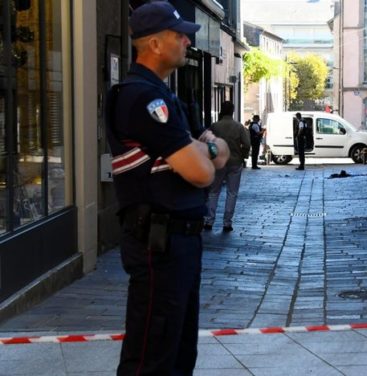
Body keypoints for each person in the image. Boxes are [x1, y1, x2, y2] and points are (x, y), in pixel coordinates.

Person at [104, 2, 230, 375]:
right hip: (159, 242)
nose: (187, 41)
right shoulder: (143, 98)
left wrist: (204, 149)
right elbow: (203, 172)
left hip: (179, 241)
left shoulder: (164, 95)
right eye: (179, 35)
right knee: (153, 356)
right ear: (155, 44)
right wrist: (204, 147)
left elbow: (220, 154)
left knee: (178, 352)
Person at [204, 101, 251, 232]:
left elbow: (207, 142)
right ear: (233, 111)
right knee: (232, 193)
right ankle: (227, 223)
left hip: (218, 162)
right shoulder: (238, 127)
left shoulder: (214, 126)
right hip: (235, 162)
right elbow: (247, 144)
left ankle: (209, 220)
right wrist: (243, 156)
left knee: (213, 192)